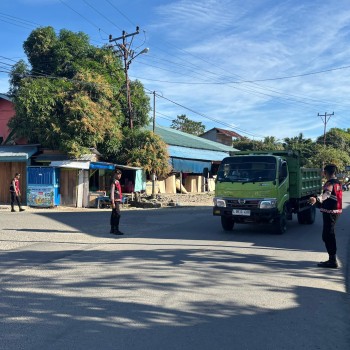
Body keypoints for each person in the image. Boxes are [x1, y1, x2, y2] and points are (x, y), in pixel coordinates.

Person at [309, 164, 342, 268]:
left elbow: (327, 194)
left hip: (330, 212)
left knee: (328, 235)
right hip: (335, 211)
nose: (323, 173)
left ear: (326, 172)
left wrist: (317, 199)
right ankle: (332, 258)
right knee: (328, 234)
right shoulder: (338, 182)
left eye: (324, 172)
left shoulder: (330, 183)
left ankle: (332, 260)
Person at [109, 169, 124, 235]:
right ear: (115, 174)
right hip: (115, 201)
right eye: (118, 174)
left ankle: (112, 229)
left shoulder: (117, 181)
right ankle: (116, 229)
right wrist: (112, 202)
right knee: (117, 215)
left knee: (114, 214)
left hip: (117, 200)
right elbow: (112, 192)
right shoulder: (114, 182)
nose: (119, 175)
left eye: (120, 174)